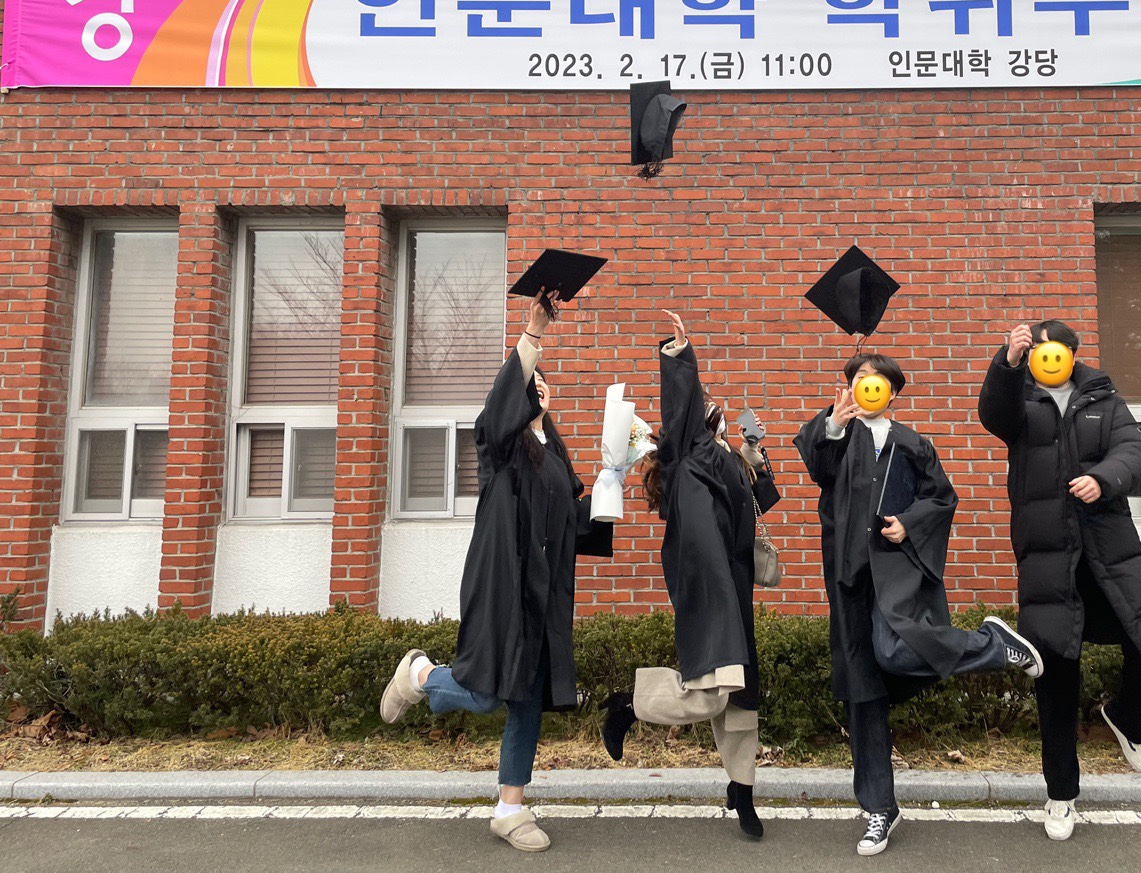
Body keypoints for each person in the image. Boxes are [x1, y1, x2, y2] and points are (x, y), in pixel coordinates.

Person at [379, 289, 614, 854]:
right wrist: (533, 335)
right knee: (485, 692)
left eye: (543, 385)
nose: (537, 389)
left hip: (542, 593)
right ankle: (421, 676)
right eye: (529, 384)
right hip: (503, 584)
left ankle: (510, 808)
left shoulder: (554, 458)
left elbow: (569, 523)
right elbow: (498, 411)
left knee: (527, 698)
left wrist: (614, 482)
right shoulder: (501, 449)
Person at [795, 351, 1043, 857]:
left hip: (898, 574)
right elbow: (819, 469)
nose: (867, 386)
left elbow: (942, 499)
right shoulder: (833, 433)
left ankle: (991, 645)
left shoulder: (912, 443)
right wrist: (834, 425)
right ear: (848, 388)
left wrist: (910, 523)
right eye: (859, 379)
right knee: (864, 693)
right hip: (849, 579)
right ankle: (879, 809)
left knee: (894, 652)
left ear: (892, 391)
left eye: (876, 380)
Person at [978, 320, 1141, 842]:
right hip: (1048, 556)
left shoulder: (1104, 399)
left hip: (1108, 550)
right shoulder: (1020, 400)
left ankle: (1127, 720)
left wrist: (1102, 478)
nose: (1049, 356)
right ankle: (1060, 795)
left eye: (1057, 349)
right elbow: (993, 416)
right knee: (1056, 676)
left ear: (1073, 353)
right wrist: (1006, 363)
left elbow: (1133, 451)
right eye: (1038, 349)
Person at [601, 309, 776, 839]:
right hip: (707, 584)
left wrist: (754, 454)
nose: (714, 412)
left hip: (734, 585)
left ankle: (742, 792)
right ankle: (628, 706)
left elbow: (763, 501)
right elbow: (680, 407)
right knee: (713, 690)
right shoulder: (686, 456)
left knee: (741, 697)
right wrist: (679, 354)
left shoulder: (725, 457)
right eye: (707, 409)